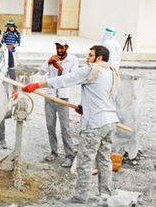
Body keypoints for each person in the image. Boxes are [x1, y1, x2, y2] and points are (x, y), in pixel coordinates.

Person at [23, 45, 120, 204]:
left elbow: (64, 80)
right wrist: (86, 107)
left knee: (85, 161)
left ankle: (80, 198)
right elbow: (103, 95)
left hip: (95, 124)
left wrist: (37, 85)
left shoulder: (92, 70)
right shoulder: (111, 72)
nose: (88, 58)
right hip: (110, 121)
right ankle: (105, 194)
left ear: (99, 58)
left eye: (91, 55)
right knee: (104, 160)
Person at [39, 37, 78, 167]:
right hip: (50, 97)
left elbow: (72, 78)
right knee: (50, 126)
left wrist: (60, 67)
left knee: (65, 128)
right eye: (57, 48)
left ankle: (69, 155)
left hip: (63, 98)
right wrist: (49, 63)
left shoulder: (73, 60)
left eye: (62, 48)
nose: (59, 50)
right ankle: (53, 152)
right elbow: (41, 72)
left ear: (67, 48)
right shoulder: (52, 57)